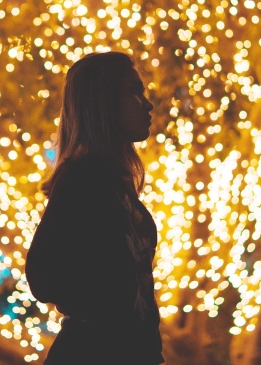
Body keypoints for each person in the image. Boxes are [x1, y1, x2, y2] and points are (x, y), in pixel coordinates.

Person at [25, 51, 164, 365]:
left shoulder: (113, 183)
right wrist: (107, 313)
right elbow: (42, 274)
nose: (147, 103)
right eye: (134, 91)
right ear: (103, 102)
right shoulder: (84, 178)